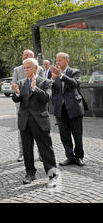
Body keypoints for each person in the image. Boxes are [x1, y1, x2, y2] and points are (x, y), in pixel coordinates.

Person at [11, 58, 59, 188]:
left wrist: (35, 88)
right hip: (25, 121)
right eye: (24, 68)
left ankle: (53, 175)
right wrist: (16, 93)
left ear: (36, 68)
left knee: (46, 149)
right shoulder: (20, 83)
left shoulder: (46, 82)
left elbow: (47, 98)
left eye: (28, 67)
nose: (25, 70)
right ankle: (30, 173)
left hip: (40, 121)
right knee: (27, 149)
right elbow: (17, 99)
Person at [50, 52, 85, 167]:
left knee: (77, 134)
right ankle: (70, 157)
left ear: (67, 60)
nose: (57, 62)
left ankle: (79, 157)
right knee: (64, 135)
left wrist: (61, 76)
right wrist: (53, 79)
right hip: (60, 109)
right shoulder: (55, 74)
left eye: (60, 60)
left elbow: (74, 83)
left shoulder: (74, 71)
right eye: (57, 60)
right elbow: (52, 89)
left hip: (74, 108)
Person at [12, 49, 44, 162]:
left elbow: (43, 84)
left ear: (33, 58)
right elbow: (15, 85)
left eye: (28, 55)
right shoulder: (17, 70)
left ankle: (41, 154)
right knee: (22, 130)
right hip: (22, 104)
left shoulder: (39, 69)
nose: (25, 57)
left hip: (36, 105)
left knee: (39, 130)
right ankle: (22, 153)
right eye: (24, 55)